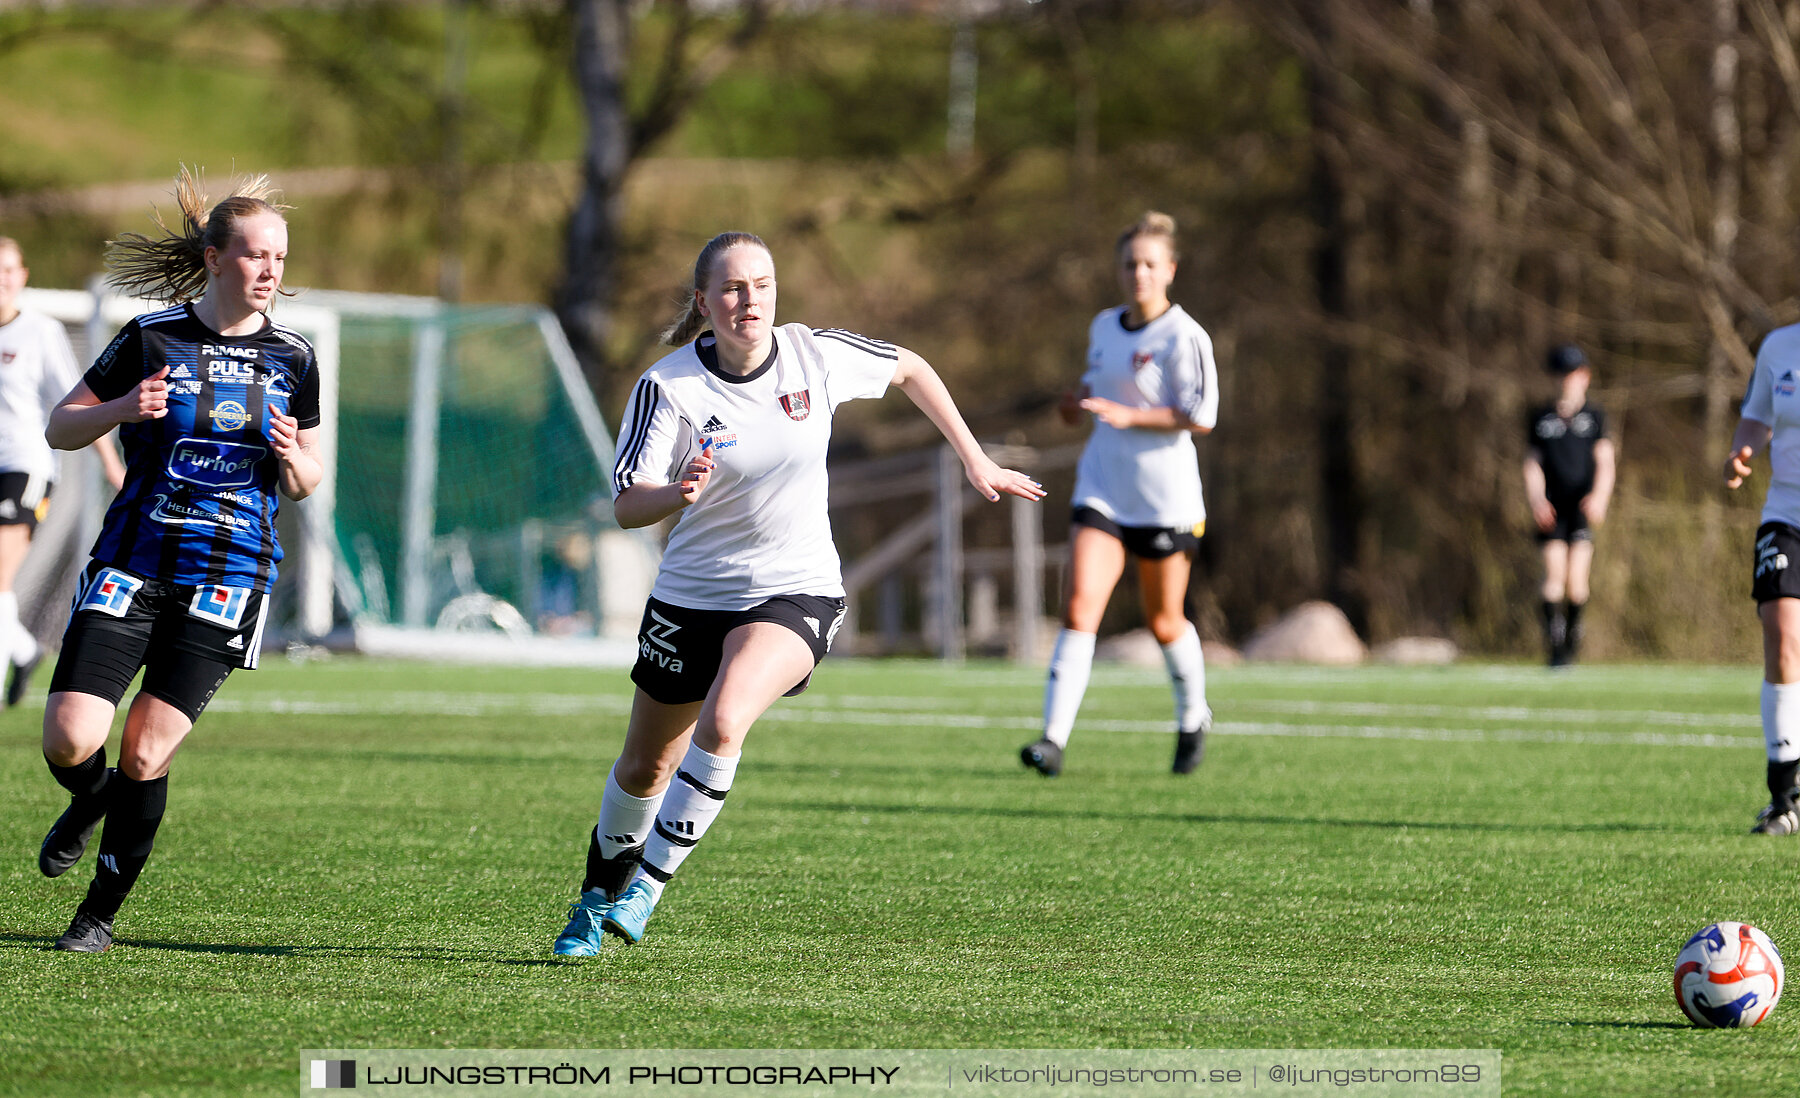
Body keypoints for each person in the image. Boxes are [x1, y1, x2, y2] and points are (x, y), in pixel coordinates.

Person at [552, 231, 1043, 954]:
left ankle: (647, 889)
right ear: (704, 302)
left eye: (762, 285)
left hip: (796, 589)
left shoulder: (814, 354)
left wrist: (974, 457)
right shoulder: (670, 386)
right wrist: (676, 493)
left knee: (724, 722)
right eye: (732, 288)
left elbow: (911, 368)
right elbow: (626, 505)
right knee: (646, 764)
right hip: (692, 595)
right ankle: (597, 897)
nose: (749, 300)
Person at [34, 168, 322, 952]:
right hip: (132, 559)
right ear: (216, 257)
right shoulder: (151, 337)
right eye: (258, 255)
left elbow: (307, 478)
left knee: (146, 749)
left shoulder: (293, 357)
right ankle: (89, 801)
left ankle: (97, 917)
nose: (271, 272)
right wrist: (124, 409)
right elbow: (62, 426)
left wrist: (294, 458)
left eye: (281, 259)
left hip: (228, 579)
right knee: (69, 739)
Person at [1018, 211, 1219, 779]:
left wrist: (1132, 417)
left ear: (1171, 270)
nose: (1140, 274)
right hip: (1103, 489)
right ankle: (1052, 741)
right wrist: (1071, 405)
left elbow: (1201, 416)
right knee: (1081, 607)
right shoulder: (1103, 326)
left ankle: (1192, 716)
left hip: (1165, 500)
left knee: (1164, 621)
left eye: (1151, 264)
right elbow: (1093, 394)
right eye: (1130, 263)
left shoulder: (1185, 336)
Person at [0, 237, 125, 705]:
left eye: (9, 269)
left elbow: (77, 406)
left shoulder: (40, 332)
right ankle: (25, 649)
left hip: (24, 468)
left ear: (23, 276)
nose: (3, 279)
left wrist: (113, 466)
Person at [1726, 323, 1800, 835]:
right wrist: (1742, 452)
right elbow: (1756, 419)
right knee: (1782, 630)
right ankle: (1784, 797)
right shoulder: (1779, 346)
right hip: (1786, 514)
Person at [1523, 343, 1615, 667]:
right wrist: (1536, 499)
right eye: (1563, 373)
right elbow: (1532, 463)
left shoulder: (1594, 417)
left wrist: (1600, 498)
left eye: (1574, 373)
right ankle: (1555, 649)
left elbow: (1605, 461)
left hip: (1581, 509)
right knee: (1553, 578)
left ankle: (1573, 644)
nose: (1568, 380)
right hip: (1552, 509)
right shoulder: (1540, 418)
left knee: (1577, 583)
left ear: (1585, 377)